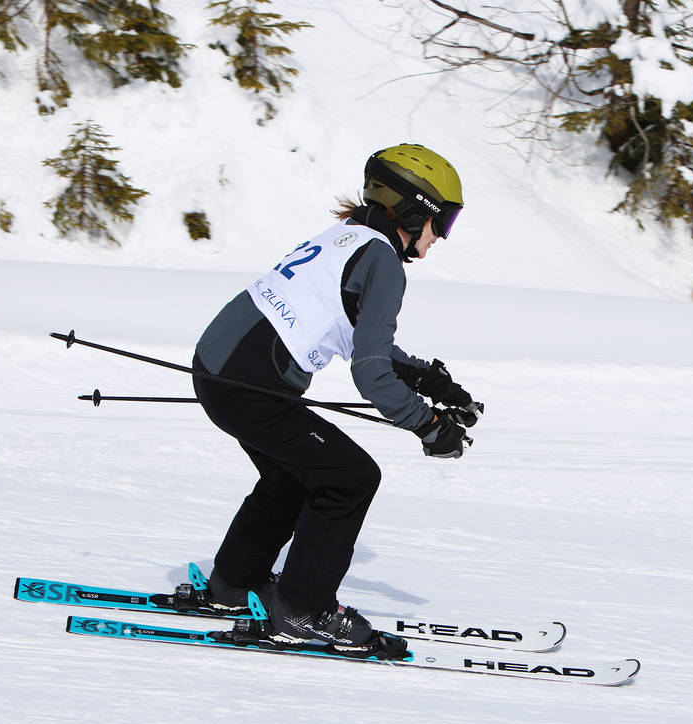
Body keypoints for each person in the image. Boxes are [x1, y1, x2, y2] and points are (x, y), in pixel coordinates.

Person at [190, 143, 482, 654]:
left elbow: (356, 337)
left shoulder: (346, 237)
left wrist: (428, 380)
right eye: (443, 221)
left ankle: (235, 583)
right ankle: (303, 611)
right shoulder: (384, 261)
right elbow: (370, 372)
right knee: (349, 478)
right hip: (253, 387)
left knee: (291, 475)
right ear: (414, 211)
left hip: (218, 371)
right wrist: (429, 425)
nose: (441, 236)